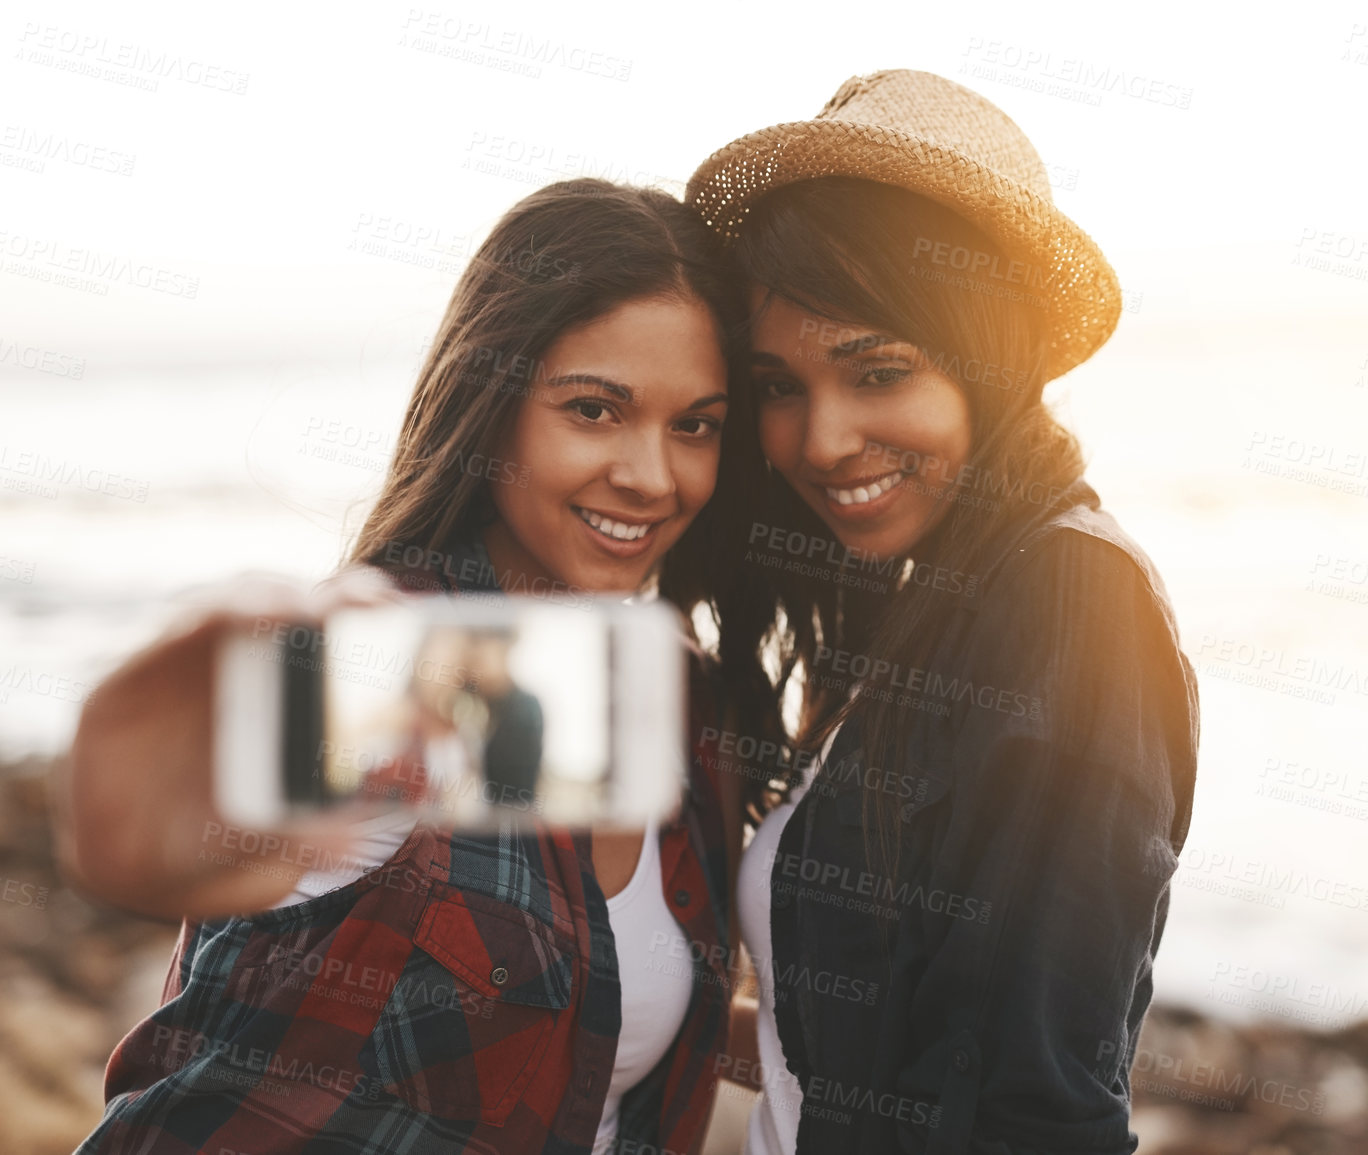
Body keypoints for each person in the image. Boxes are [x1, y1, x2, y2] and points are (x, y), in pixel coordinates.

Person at [56, 178, 760, 1155]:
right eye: (595, 411)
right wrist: (177, 705)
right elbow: (140, 837)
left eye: (696, 425)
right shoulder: (404, 662)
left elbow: (607, 1008)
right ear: (493, 400)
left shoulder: (682, 699)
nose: (652, 474)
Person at [687, 71, 1201, 1153]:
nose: (821, 442)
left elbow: (1039, 1100)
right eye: (780, 386)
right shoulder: (920, 611)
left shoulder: (1072, 600)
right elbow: (863, 1046)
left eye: (878, 371)